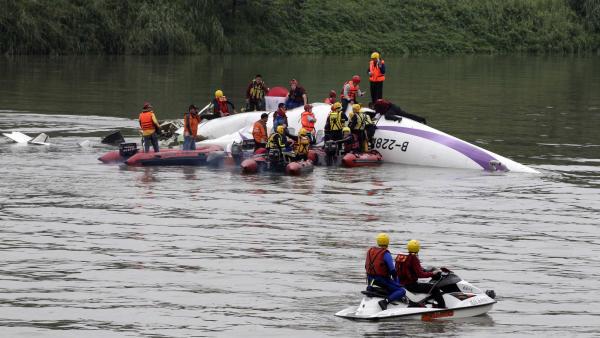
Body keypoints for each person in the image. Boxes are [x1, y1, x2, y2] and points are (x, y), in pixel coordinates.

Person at [395, 239, 446, 308]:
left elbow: (410, 268)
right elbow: (420, 274)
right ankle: (442, 307)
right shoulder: (413, 258)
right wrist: (433, 273)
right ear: (417, 248)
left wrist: (426, 270)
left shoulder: (402, 257)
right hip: (411, 286)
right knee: (435, 288)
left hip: (402, 284)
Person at [365, 233, 407, 311]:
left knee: (391, 285)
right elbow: (392, 270)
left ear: (378, 241)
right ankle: (385, 302)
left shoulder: (370, 251)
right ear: (387, 242)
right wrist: (397, 282)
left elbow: (366, 266)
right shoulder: (385, 253)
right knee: (401, 291)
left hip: (371, 281)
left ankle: (371, 289)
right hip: (381, 280)